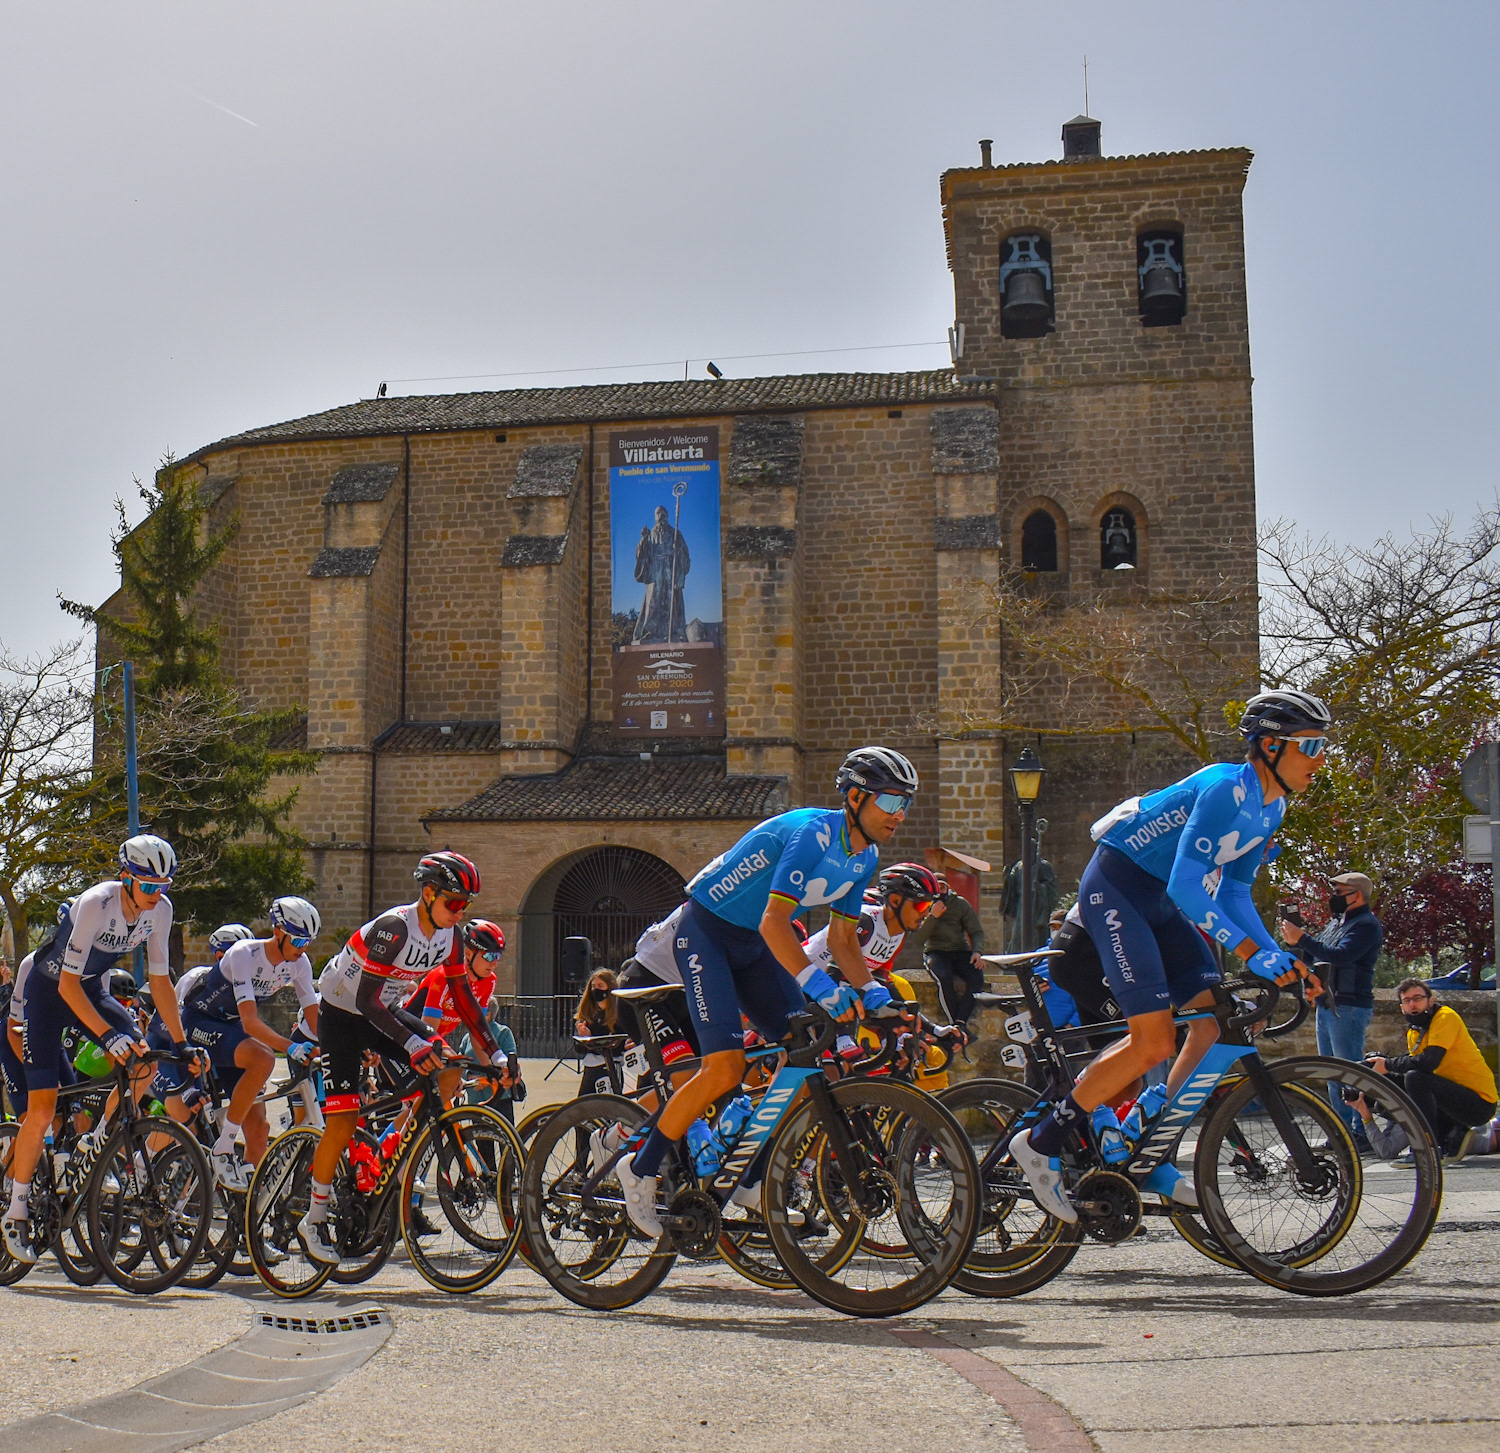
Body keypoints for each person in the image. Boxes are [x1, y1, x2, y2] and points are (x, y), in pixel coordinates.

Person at [1009, 690, 1333, 1223]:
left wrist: (1280, 958)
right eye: (1311, 747)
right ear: (1270, 746)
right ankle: (1041, 1142)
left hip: (1156, 901)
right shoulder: (1226, 788)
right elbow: (1189, 887)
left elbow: (1232, 894)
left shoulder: (1272, 807)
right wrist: (1252, 952)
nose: (1319, 761)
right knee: (1153, 1039)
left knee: (1209, 1023)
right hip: (1117, 889)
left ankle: (1151, 1145)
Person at [614, 745, 918, 1237]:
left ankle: (749, 1177)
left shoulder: (866, 857)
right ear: (856, 798)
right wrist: (821, 987)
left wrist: (873, 993)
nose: (898, 815)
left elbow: (842, 939)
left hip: (752, 945)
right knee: (725, 1067)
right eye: (889, 802)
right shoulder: (813, 834)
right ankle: (640, 1167)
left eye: (906, 804)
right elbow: (777, 922)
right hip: (708, 933)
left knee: (805, 1058)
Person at [4, 835, 201, 1264]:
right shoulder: (96, 903)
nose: (156, 895)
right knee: (42, 1107)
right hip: (49, 991)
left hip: (90, 991)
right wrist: (107, 1036)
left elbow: (162, 981)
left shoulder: (160, 912)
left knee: (143, 1063)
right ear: (126, 877)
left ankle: (97, 1143)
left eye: (163, 886)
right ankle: (16, 1209)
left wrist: (182, 1042)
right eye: (149, 886)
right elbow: (66, 984)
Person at [296, 850, 498, 1263]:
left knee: (446, 1062)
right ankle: (313, 1217)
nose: (460, 913)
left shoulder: (452, 937)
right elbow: (367, 1000)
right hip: (344, 1015)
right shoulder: (394, 928)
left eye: (466, 906)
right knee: (343, 1118)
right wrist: (411, 1044)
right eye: (454, 903)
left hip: (385, 1011)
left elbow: (464, 997)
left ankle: (392, 1148)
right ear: (428, 894)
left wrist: (496, 1053)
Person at [168, 898, 322, 1189]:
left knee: (259, 1127)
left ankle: (249, 1204)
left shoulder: (299, 964)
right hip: (199, 1022)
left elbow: (315, 1019)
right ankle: (223, 1148)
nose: (303, 948)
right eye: (299, 940)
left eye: (309, 941)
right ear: (279, 932)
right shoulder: (244, 954)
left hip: (229, 1029)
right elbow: (250, 1021)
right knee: (263, 1059)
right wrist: (289, 1046)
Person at [1279, 871, 1382, 1149]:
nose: (1333, 897)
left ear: (1356, 894)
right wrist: (1294, 946)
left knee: (1350, 1073)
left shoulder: (1366, 926)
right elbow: (1317, 954)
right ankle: (1341, 1131)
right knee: (1333, 1075)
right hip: (1328, 1006)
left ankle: (1360, 1133)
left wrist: (1302, 938)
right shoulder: (1338, 923)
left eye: (1338, 892)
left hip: (1348, 1007)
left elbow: (1340, 956)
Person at [1369, 979, 1498, 1159]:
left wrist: (1388, 1064)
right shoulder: (1414, 1031)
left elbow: (1429, 1062)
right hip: (1451, 1099)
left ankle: (1428, 1147)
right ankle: (1451, 1133)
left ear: (1430, 1000)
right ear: (1402, 1008)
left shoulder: (1445, 1017)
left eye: (1418, 998)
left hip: (1479, 1103)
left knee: (1416, 1078)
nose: (1413, 1004)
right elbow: (1414, 1063)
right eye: (1407, 1000)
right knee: (1386, 1090)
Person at [405, 918, 519, 1109]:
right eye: (489, 957)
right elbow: (429, 1030)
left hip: (431, 1045)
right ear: (468, 953)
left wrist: (490, 1069)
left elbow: (477, 1030)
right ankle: (390, 1139)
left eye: (498, 957)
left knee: (432, 1106)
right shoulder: (442, 976)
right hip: (409, 1042)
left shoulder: (488, 981)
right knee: (424, 1105)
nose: (495, 963)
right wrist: (447, 1066)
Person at [918, 879, 988, 1028]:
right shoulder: (924, 904)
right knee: (944, 977)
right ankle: (954, 1024)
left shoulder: (960, 904)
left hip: (959, 950)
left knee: (976, 978)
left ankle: (960, 1022)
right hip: (936, 951)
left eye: (942, 887)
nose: (939, 892)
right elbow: (918, 938)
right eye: (936, 888)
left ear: (948, 887)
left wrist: (977, 951)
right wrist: (933, 917)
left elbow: (976, 931)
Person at [575, 968, 621, 1097]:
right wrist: (584, 1037)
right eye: (594, 986)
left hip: (610, 1065)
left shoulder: (619, 1013)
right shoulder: (589, 1014)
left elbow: (618, 1045)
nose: (596, 990)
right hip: (591, 1066)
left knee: (609, 1105)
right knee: (584, 1104)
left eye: (600, 986)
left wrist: (594, 1039)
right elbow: (580, 1049)